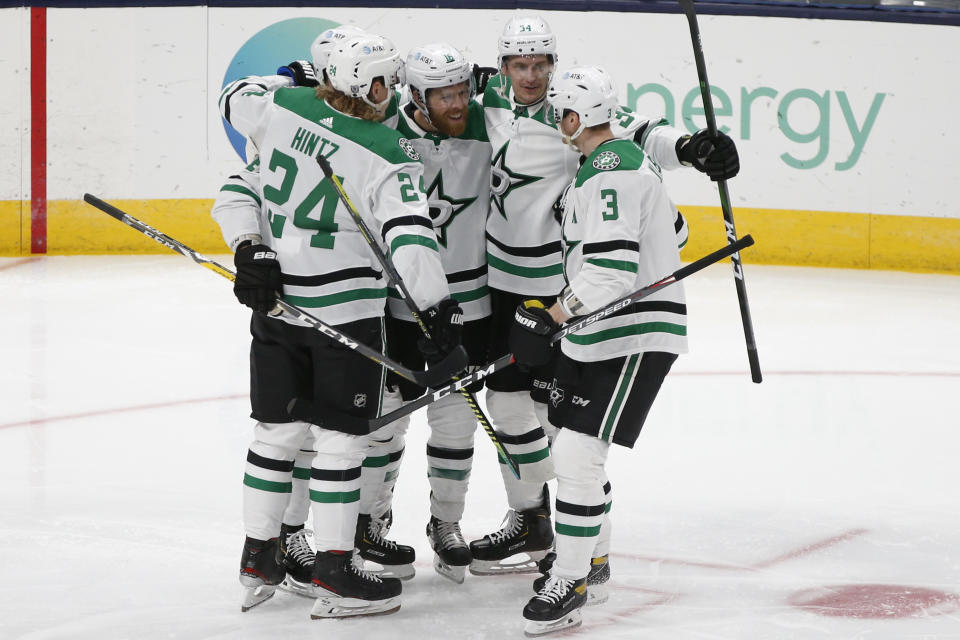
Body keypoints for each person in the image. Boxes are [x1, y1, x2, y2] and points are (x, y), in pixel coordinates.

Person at [471, 14, 738, 579]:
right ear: (503, 66)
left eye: (542, 63)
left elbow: (638, 133)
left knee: (566, 431)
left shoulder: (570, 108)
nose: (532, 75)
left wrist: (688, 147)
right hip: (503, 282)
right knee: (507, 407)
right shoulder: (484, 91)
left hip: (560, 289)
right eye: (520, 64)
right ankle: (531, 517)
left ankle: (583, 542)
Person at [214, 32, 463, 618]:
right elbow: (411, 239)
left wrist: (250, 248)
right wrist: (440, 316)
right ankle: (332, 567)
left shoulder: (278, 108)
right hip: (346, 317)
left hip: (278, 310)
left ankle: (260, 554)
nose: (390, 90)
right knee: (340, 440)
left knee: (275, 435)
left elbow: (235, 107)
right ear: (354, 82)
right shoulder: (387, 149)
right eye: (380, 80)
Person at [509, 64, 688, 637]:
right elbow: (675, 231)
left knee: (578, 458)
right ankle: (595, 561)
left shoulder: (609, 169)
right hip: (601, 329)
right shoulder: (621, 164)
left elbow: (611, 271)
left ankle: (573, 577)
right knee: (569, 448)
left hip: (630, 330)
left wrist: (553, 315)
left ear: (572, 116)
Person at [381, 42, 493, 583]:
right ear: (416, 95)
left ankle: (446, 523)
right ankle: (370, 525)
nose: (456, 103)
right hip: (399, 303)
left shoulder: (487, 118)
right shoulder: (383, 131)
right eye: (443, 94)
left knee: (455, 422)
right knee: (387, 426)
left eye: (461, 90)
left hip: (471, 302)